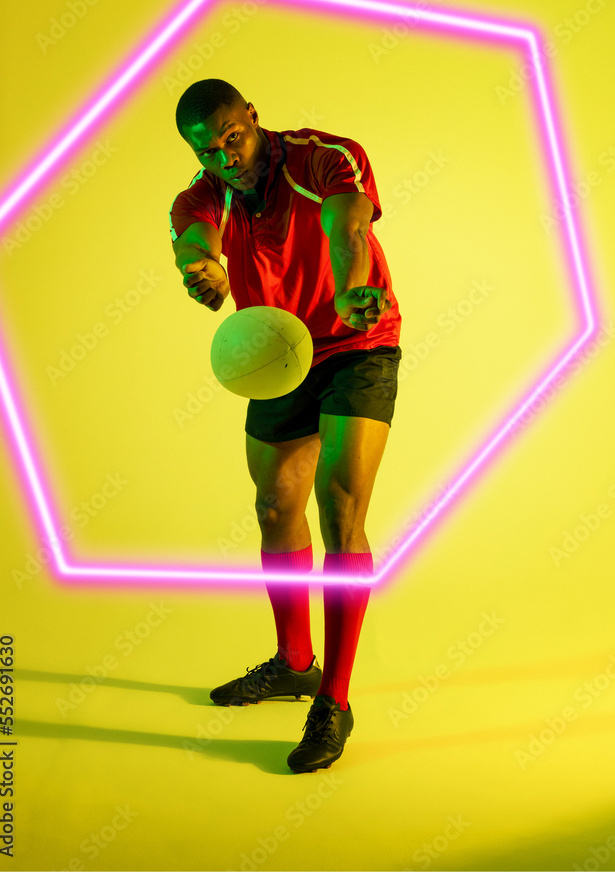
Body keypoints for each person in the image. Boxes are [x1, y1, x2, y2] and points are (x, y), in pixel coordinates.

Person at [169, 78, 402, 773]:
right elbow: (192, 237)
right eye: (208, 151)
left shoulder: (324, 156)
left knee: (339, 510)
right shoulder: (202, 192)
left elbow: (347, 224)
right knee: (274, 506)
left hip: (357, 342)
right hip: (277, 352)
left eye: (232, 139)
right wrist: (198, 270)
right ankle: (295, 662)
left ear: (253, 119)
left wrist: (351, 287)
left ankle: (333, 698)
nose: (224, 158)